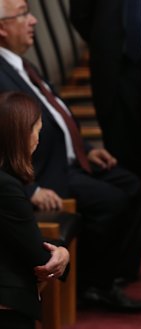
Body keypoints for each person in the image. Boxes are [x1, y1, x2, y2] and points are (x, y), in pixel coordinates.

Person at [0, 0, 141, 312]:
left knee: (131, 183)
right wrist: (31, 189)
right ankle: (93, 285)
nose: (33, 21)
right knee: (112, 202)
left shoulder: (22, 63)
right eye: (24, 14)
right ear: (1, 27)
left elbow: (56, 113)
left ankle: (116, 273)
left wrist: (87, 150)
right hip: (43, 173)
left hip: (69, 159)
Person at [0, 91, 70, 329]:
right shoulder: (6, 187)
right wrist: (62, 254)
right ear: (19, 135)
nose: (38, 139)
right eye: (36, 130)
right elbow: (39, 260)